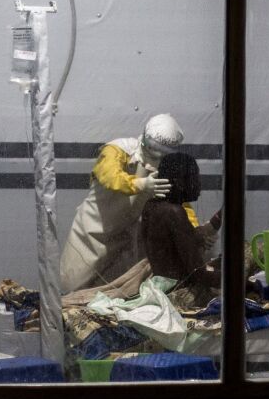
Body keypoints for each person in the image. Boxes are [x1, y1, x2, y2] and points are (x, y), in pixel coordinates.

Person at [61, 113, 186, 293]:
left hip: (125, 238)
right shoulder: (118, 149)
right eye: (153, 149)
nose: (157, 158)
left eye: (164, 154)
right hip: (90, 234)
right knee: (71, 289)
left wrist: (194, 229)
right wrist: (141, 184)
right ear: (144, 139)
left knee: (115, 294)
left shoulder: (167, 168)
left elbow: (180, 204)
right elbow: (109, 176)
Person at [140, 152, 222, 294]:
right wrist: (242, 282)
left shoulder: (151, 206)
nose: (199, 184)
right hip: (179, 291)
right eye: (195, 178)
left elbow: (175, 243)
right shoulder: (174, 212)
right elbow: (199, 275)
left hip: (163, 287)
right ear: (179, 182)